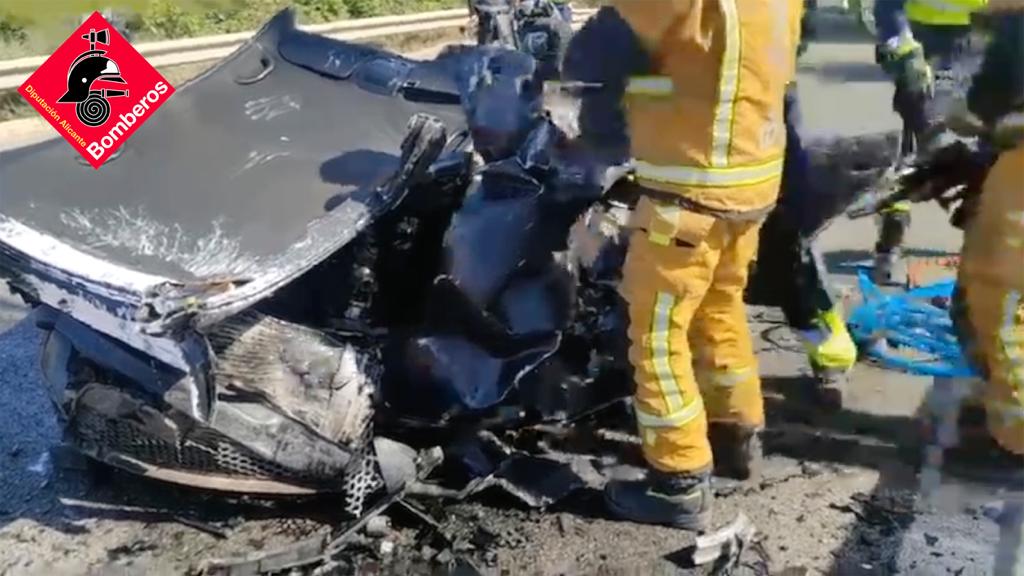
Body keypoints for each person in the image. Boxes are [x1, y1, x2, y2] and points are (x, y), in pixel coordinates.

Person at [564, 0, 803, 529]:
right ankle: (736, 434)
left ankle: (678, 482)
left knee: (657, 337)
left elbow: (594, 54)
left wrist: (598, 130)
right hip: (752, 187)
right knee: (719, 310)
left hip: (688, 195)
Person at [872, 0, 989, 284]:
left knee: (988, 139)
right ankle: (891, 235)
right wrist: (900, 41)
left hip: (984, 36)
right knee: (920, 134)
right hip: (924, 39)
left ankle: (985, 241)